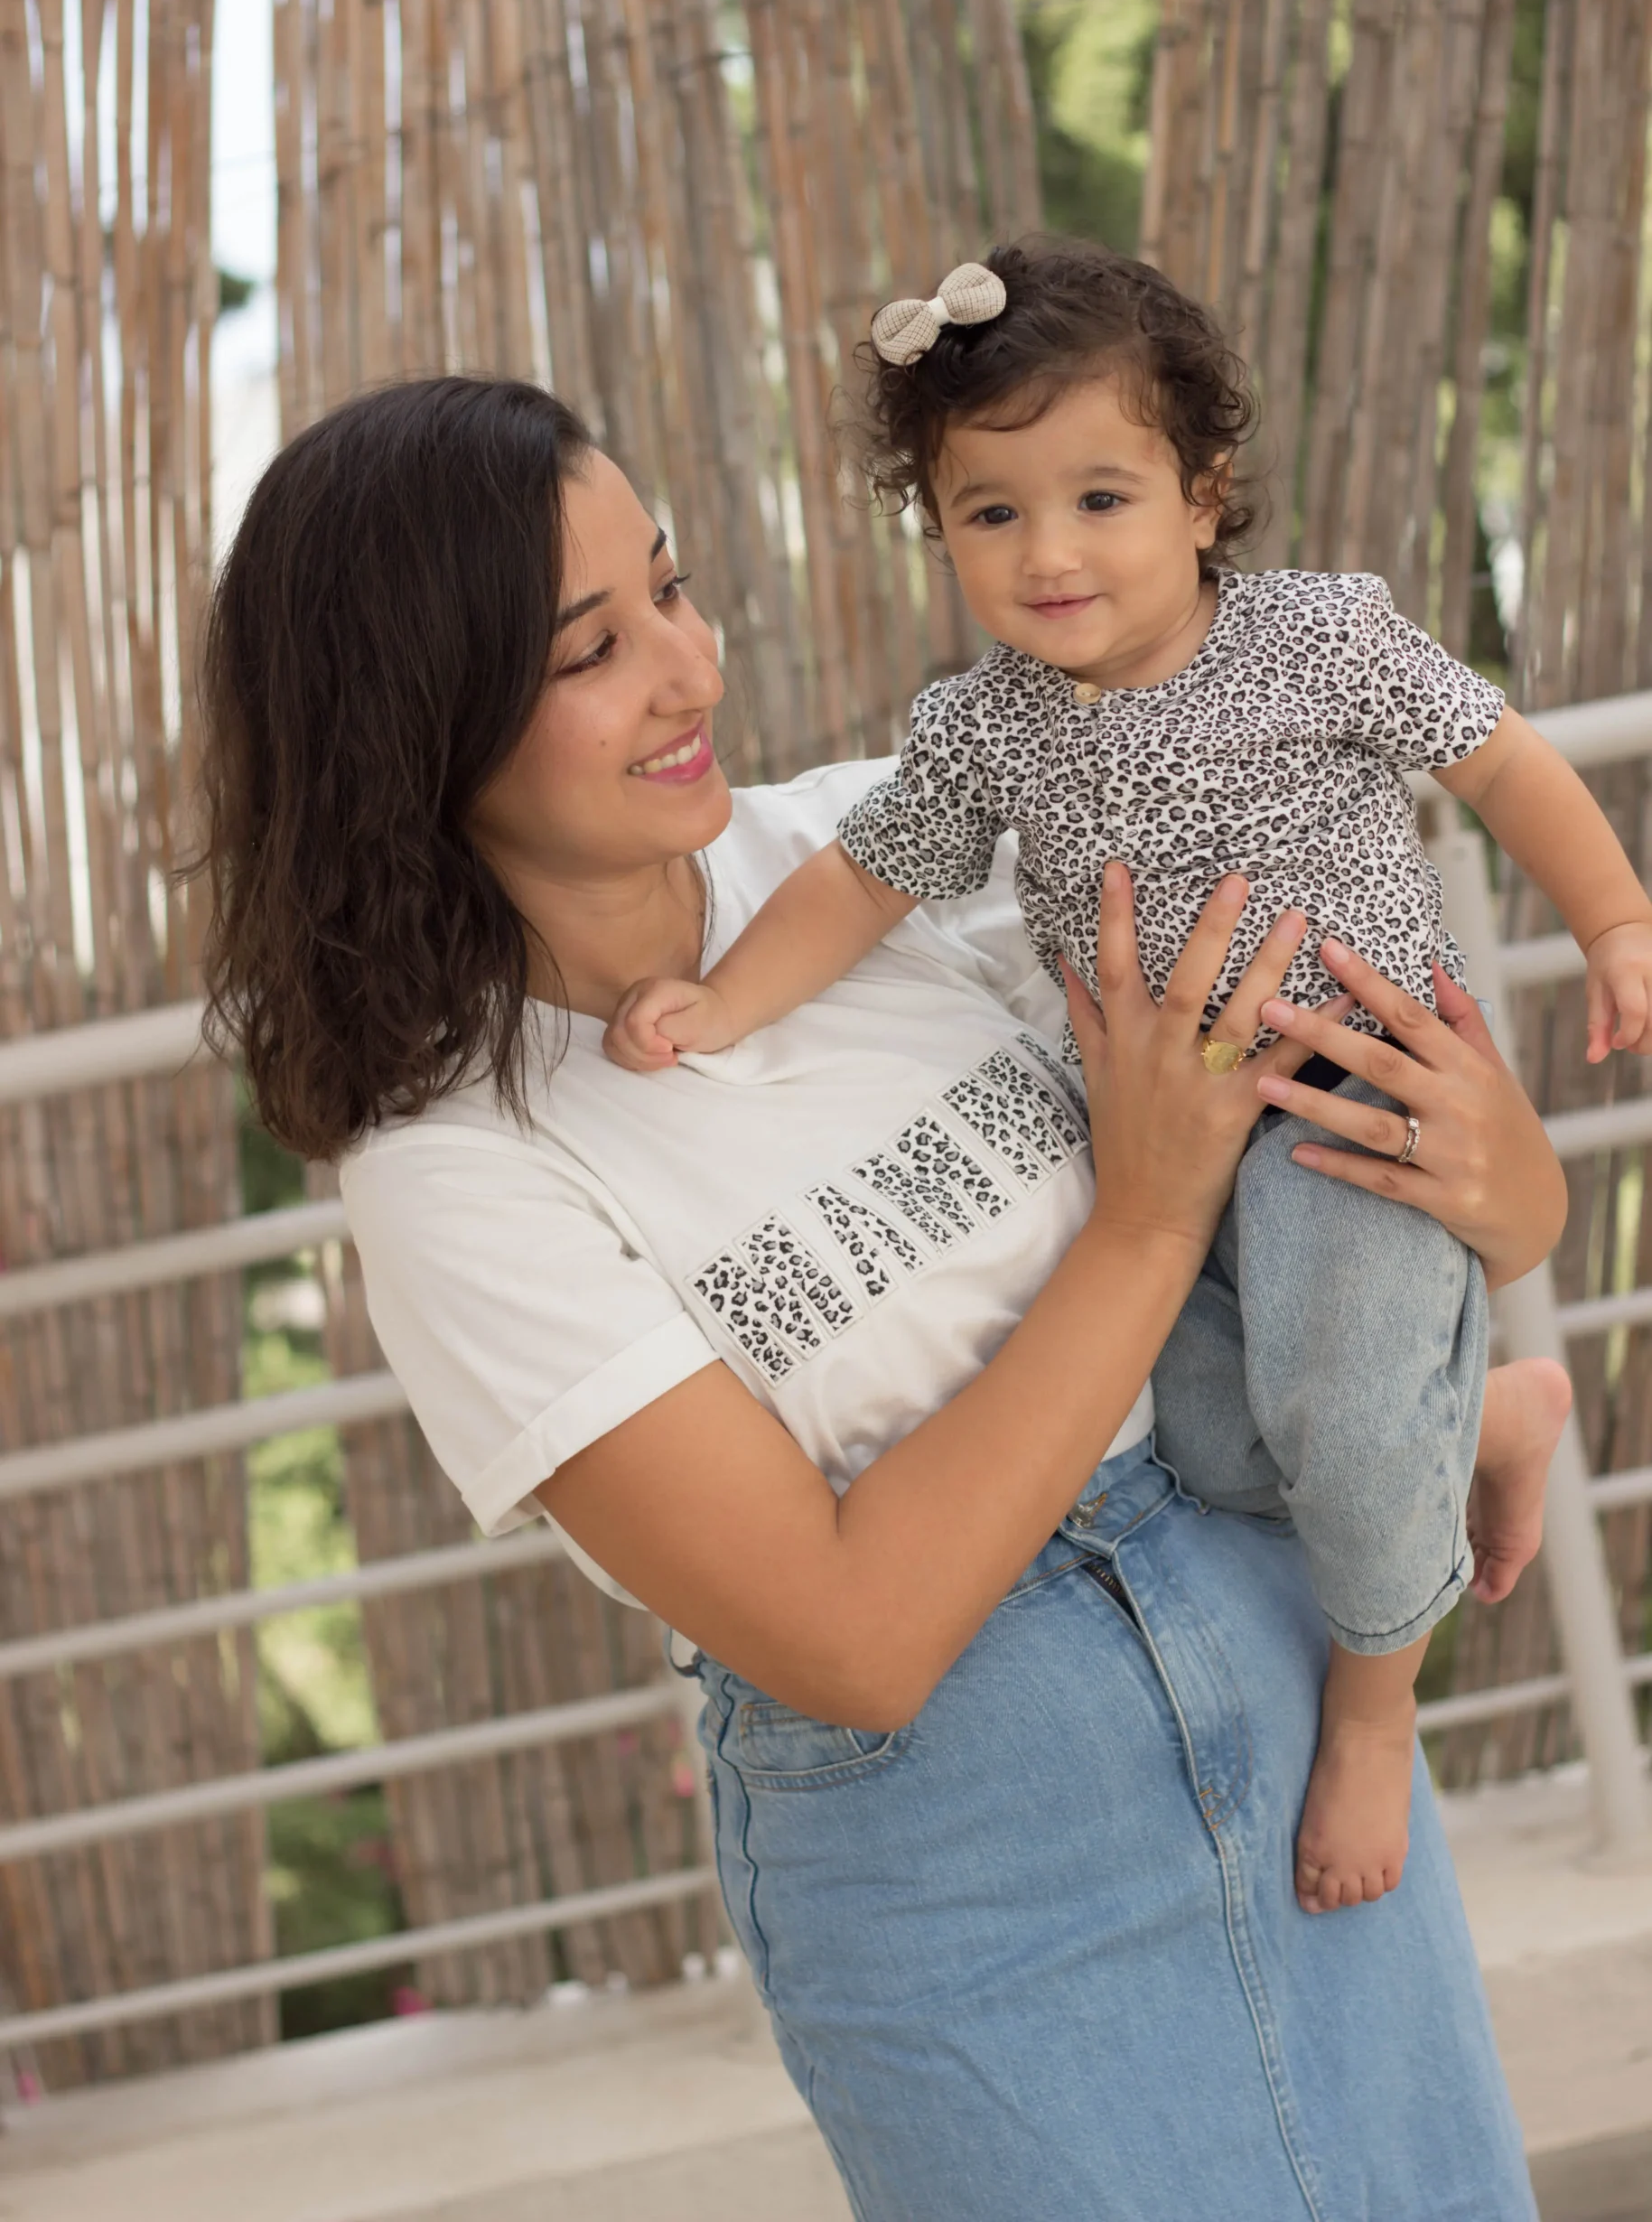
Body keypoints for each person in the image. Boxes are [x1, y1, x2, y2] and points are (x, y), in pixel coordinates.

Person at [193, 373, 1564, 2220]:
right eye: (593, 644)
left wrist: (1506, 1183)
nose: (689, 670)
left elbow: (1346, 1119)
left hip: (1267, 1652)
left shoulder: (867, 853)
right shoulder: (454, 1166)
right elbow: (851, 1632)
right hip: (966, 1849)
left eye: (669, 588)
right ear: (414, 725)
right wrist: (1141, 1230)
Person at [602, 236, 1621, 1913]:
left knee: (1342, 1417)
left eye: (1100, 498)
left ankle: (1379, 1709)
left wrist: (1618, 918)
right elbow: (864, 879)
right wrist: (721, 1002)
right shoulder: (989, 725)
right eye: (992, 513)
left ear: (1204, 495)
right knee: (1216, 1446)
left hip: (1349, 1102)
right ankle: (1494, 1417)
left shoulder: (1319, 640)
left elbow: (1501, 759)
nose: (1048, 552)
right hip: (1149, 1136)